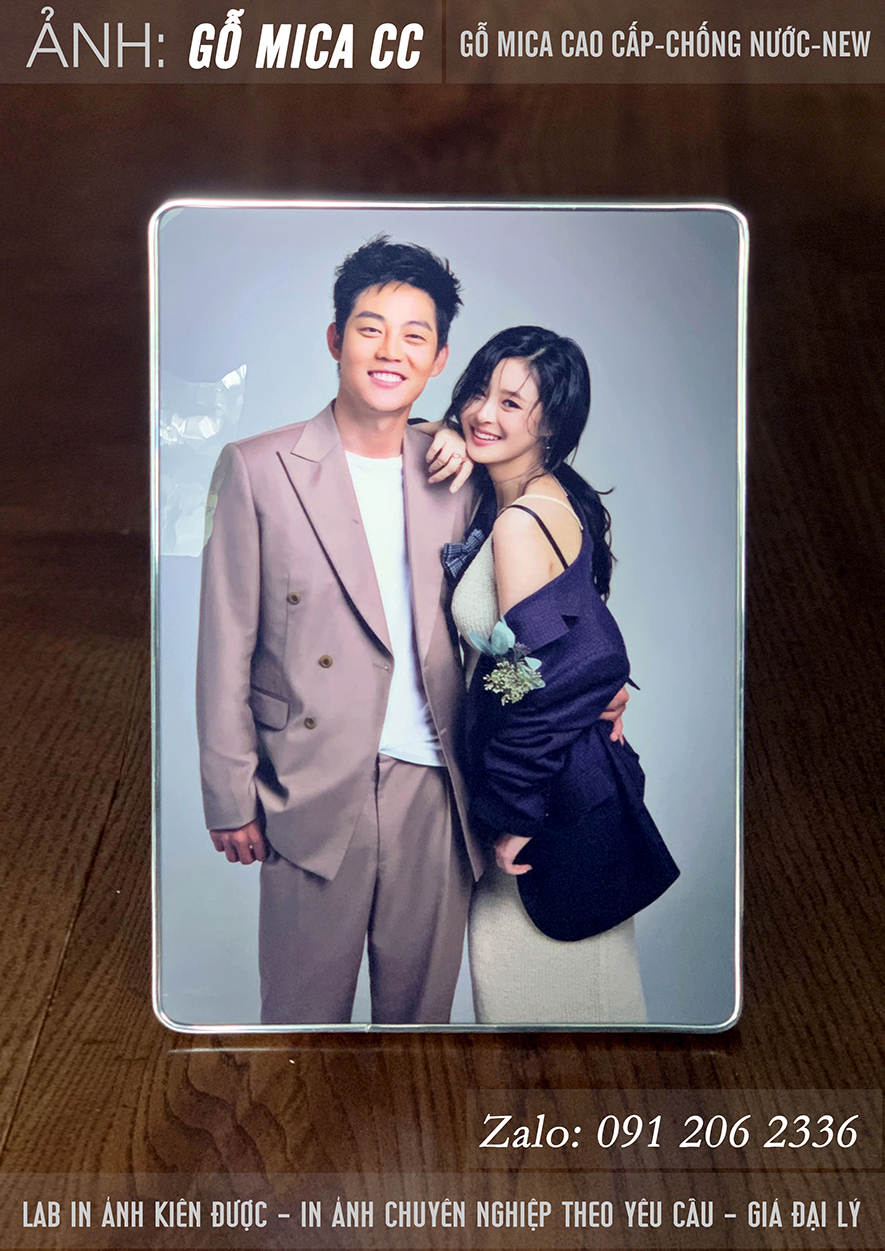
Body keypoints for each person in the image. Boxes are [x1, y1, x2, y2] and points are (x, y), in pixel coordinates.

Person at [197, 237, 629, 1027]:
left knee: (420, 1033)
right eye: (370, 329)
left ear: (438, 358)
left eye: (414, 335)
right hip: (308, 786)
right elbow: (224, 642)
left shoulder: (460, 473)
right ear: (336, 338)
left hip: (436, 785)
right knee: (299, 1027)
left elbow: (538, 620)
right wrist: (230, 794)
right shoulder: (258, 468)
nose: (390, 351)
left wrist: (603, 680)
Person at [447, 326, 680, 1024]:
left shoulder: (521, 523)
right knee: (575, 1026)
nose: (483, 413)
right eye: (478, 391)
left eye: (511, 403)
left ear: (550, 425)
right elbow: (574, 644)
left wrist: (515, 811)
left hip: (547, 803)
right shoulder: (558, 495)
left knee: (557, 1031)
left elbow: (533, 680)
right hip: (562, 783)